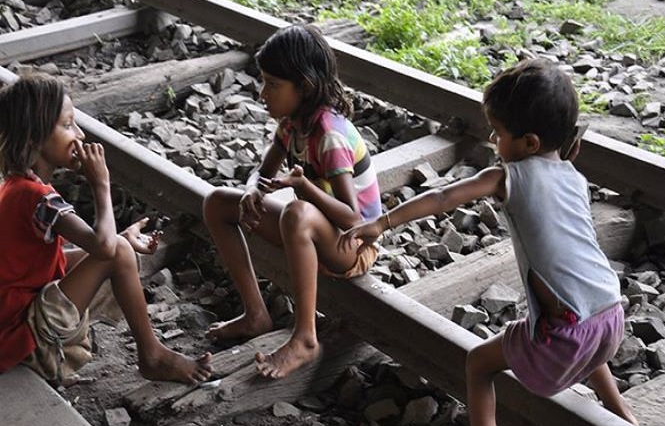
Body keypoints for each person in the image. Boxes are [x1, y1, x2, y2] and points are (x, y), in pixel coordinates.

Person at [340, 58, 638, 426]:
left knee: (479, 364)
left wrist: (381, 223)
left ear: (530, 142)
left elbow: (444, 197)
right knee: (581, 315)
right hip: (610, 318)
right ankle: (621, 414)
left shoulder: (506, 175)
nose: (493, 140)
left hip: (567, 334)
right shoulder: (572, 173)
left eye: (498, 133)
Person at [0, 74, 212, 386]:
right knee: (116, 252)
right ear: (36, 137)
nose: (80, 134)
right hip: (18, 330)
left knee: (118, 248)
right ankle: (151, 355)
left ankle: (152, 353)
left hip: (11, 315)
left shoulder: (17, 186)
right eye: (68, 124)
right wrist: (101, 184)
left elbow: (48, 257)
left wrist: (117, 240)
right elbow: (104, 249)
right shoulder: (38, 198)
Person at [204, 24, 382, 379]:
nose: (262, 93)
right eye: (264, 81)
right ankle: (255, 314)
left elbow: (353, 219)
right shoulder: (291, 125)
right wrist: (254, 189)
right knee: (219, 203)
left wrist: (305, 187)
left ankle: (305, 338)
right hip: (321, 233)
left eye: (272, 84)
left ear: (305, 86)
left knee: (297, 212)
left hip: (354, 246)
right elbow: (262, 170)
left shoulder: (329, 134)